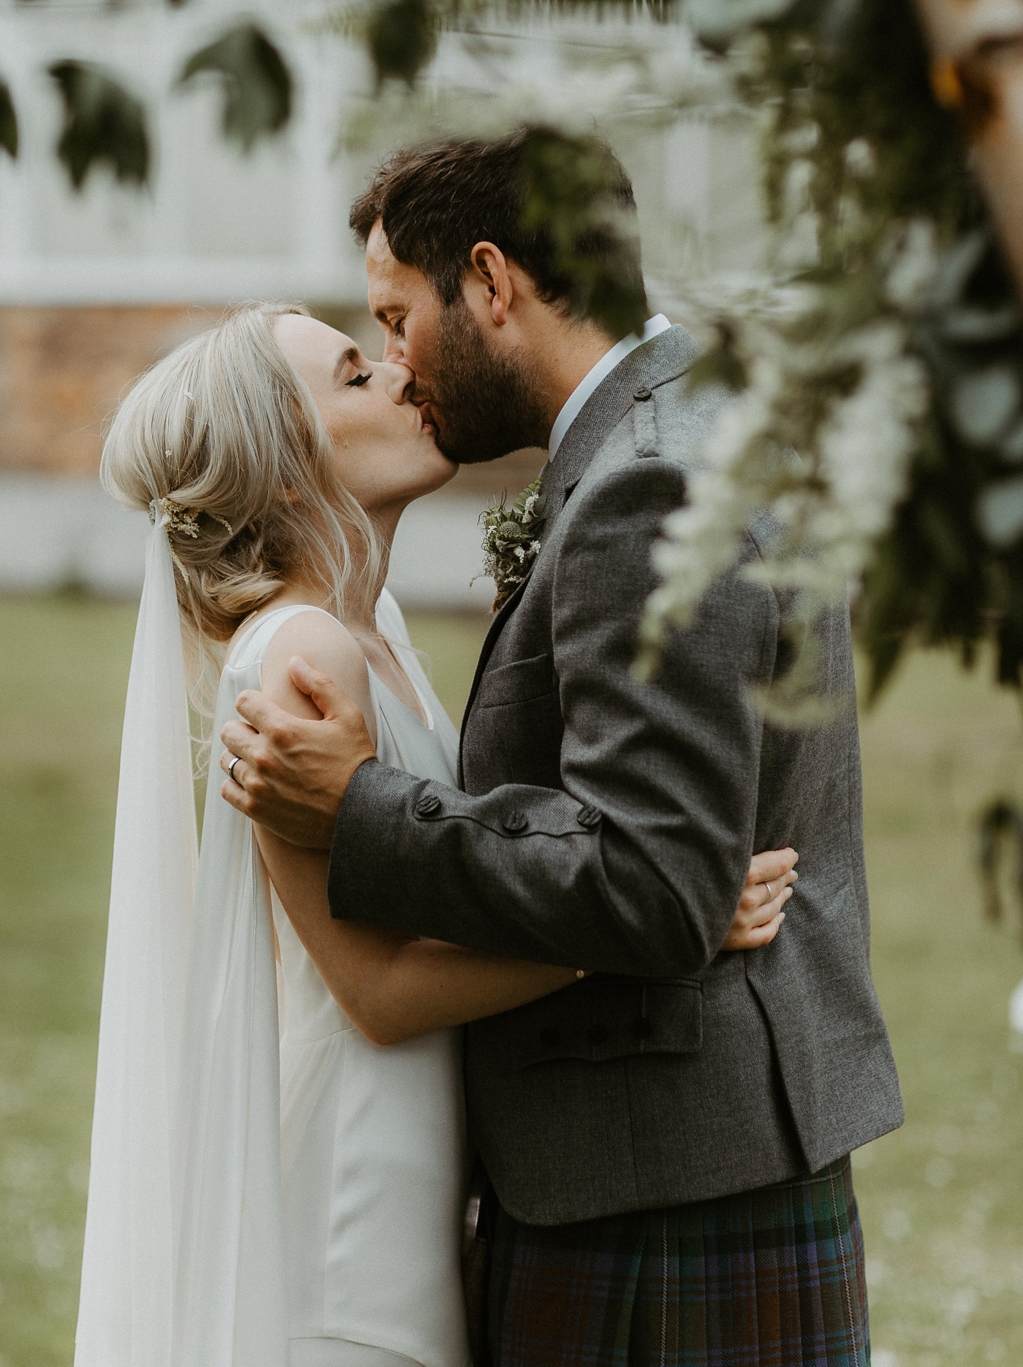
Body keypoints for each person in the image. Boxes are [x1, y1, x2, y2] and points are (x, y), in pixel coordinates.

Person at [218, 131, 904, 1367]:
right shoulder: (696, 424)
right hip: (705, 1149)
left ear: (489, 284)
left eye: (396, 318)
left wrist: (361, 807)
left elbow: (653, 884)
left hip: (654, 1171)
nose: (395, 364)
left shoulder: (640, 491)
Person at [73, 299, 796, 1367]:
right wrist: (654, 918)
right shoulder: (295, 651)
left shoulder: (376, 632)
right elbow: (378, 992)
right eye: (356, 376)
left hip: (421, 1183)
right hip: (352, 1206)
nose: (403, 374)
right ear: (284, 468)